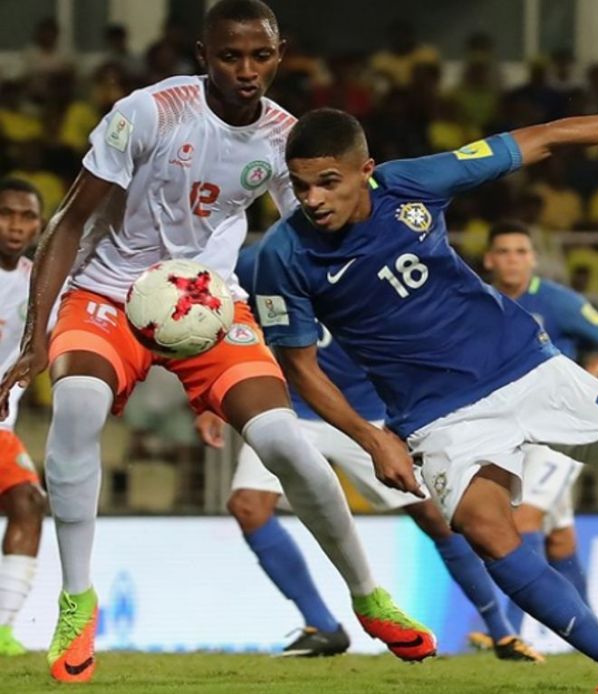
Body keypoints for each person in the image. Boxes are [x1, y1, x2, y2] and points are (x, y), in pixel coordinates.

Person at [249, 69, 598, 693]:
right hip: (438, 416)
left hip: (526, 366)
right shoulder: (282, 256)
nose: (314, 199)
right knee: (488, 532)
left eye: (328, 182)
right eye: (301, 186)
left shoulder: (413, 182)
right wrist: (369, 435)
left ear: (366, 170)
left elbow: (546, 136)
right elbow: (299, 364)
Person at [0, 1, 432, 683]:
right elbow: (69, 219)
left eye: (260, 56)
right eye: (230, 56)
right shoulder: (148, 112)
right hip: (110, 291)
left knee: (287, 441)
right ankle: (76, 600)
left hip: (208, 304)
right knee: (78, 404)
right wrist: (35, 335)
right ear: (204, 54)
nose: (246, 70)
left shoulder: (286, 140)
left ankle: (367, 595)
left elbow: (319, 240)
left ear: (280, 53)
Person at [196, 244, 542, 662]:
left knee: (435, 516)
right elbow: (222, 315)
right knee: (249, 505)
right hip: (289, 407)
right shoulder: (264, 258)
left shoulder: (382, 248)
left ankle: (501, 632)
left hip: (365, 414)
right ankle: (322, 625)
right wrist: (212, 396)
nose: (316, 199)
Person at [477, 220, 598, 638]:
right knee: (560, 537)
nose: (513, 259)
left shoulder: (557, 301)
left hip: (559, 431)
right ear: (490, 259)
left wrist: (587, 377)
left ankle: (506, 633)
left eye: (521, 251)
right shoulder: (479, 302)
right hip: (509, 429)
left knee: (524, 518)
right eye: (504, 251)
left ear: (533, 258)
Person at [0, 178, 47, 656]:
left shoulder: (39, 283)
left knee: (28, 503)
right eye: (6, 213)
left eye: (27, 217)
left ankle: (1, 631)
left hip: (0, 428)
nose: (16, 225)